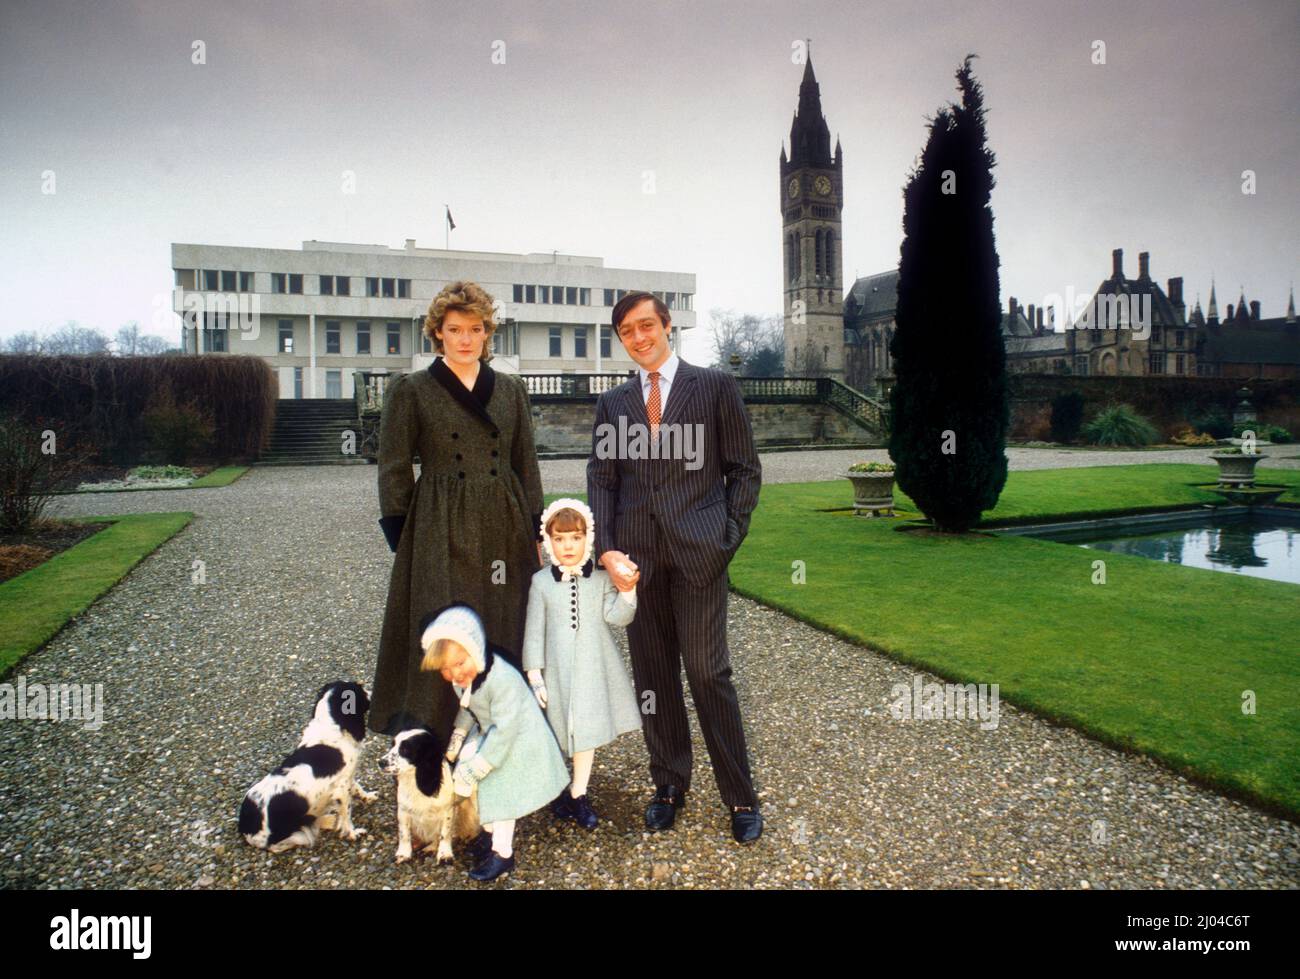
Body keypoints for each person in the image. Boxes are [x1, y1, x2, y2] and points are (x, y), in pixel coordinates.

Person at [586, 291, 764, 844]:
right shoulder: (614, 404)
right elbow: (603, 480)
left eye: (646, 326)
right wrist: (608, 549)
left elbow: (745, 470)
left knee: (709, 675)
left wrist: (725, 540)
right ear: (621, 340)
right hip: (638, 565)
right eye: (627, 332)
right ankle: (668, 785)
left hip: (699, 557)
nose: (639, 338)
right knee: (655, 679)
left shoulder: (713, 388)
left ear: (667, 326)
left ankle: (739, 796)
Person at [369, 280, 544, 742]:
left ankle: (509, 735)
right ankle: (434, 738)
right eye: (455, 329)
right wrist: (404, 535)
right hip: (438, 521)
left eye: (475, 329)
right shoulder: (411, 390)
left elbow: (525, 462)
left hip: (503, 518)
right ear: (438, 333)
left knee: (507, 618)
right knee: (444, 623)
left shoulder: (510, 390)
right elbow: (393, 465)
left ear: (487, 334)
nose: (466, 339)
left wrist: (534, 529)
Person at [420, 603, 571, 882]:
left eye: (459, 663)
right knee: (482, 782)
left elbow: (505, 731)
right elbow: (468, 707)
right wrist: (458, 737)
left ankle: (502, 853)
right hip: (494, 733)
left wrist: (480, 764)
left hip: (520, 740)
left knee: (502, 794)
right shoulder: (465, 677)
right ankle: (488, 836)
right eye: (445, 669)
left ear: (475, 650)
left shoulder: (502, 680)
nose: (454, 674)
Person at [521, 498, 642, 830]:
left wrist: (628, 593)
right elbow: (534, 630)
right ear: (549, 542)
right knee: (559, 729)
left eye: (575, 537)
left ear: (587, 538)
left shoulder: (601, 578)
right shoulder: (541, 582)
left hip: (593, 666)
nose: (568, 546)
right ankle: (558, 788)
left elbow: (617, 617)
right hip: (556, 670)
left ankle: (579, 791)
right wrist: (534, 673)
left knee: (586, 731)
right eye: (559, 539)